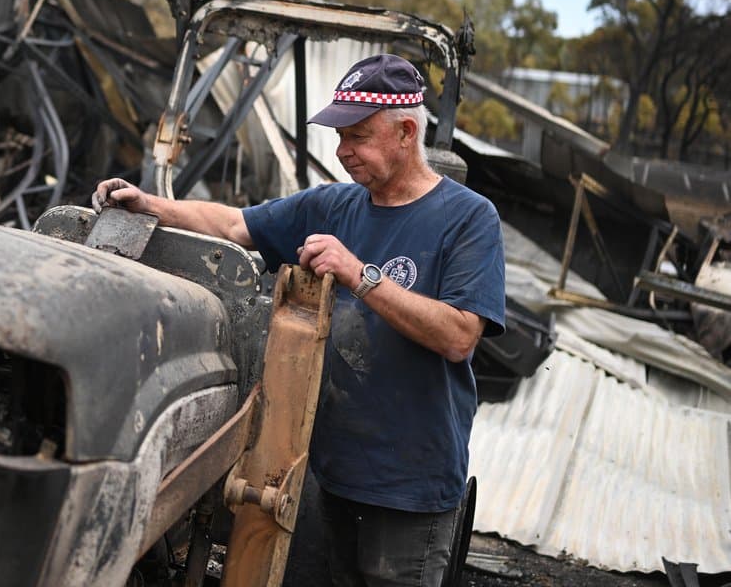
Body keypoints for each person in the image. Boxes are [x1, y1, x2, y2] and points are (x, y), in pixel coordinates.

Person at [92, 53, 506, 587]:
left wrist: (360, 274)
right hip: (323, 476)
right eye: (339, 137)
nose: (342, 151)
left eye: (357, 136)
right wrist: (150, 205)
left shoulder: (468, 218)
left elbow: (459, 335)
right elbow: (238, 225)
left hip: (409, 488)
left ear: (406, 132)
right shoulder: (335, 205)